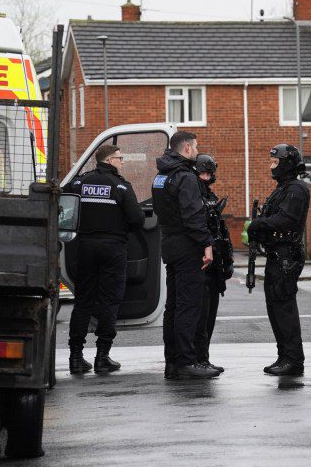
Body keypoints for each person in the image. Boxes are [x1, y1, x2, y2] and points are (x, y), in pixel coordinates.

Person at [65, 143, 144, 375]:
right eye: (120, 158)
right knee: (109, 302)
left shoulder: (79, 183)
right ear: (110, 161)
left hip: (85, 247)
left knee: (83, 302)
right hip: (112, 248)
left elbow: (65, 208)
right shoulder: (120, 186)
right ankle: (102, 356)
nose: (122, 162)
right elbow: (137, 219)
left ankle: (76, 357)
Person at [152, 130, 220, 380]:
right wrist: (206, 244)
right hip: (188, 246)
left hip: (170, 244)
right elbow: (193, 217)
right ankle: (187, 361)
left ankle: (173, 362)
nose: (197, 149)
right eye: (196, 146)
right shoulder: (186, 178)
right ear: (188, 148)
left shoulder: (161, 176)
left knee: (174, 306)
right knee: (189, 307)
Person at [248, 144, 310, 376]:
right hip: (276, 255)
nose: (271, 166)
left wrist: (259, 225)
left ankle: (293, 359)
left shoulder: (296, 189)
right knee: (275, 309)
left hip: (287, 257)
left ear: (287, 164)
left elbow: (286, 219)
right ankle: (284, 356)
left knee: (284, 310)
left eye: (275, 162)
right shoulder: (282, 188)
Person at [192, 154, 234, 374]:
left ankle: (204, 357)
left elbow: (221, 231)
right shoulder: (193, 196)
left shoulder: (210, 196)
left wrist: (227, 261)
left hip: (215, 264)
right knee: (200, 315)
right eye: (202, 173)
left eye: (209, 174)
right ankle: (199, 359)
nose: (206, 178)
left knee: (209, 316)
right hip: (201, 262)